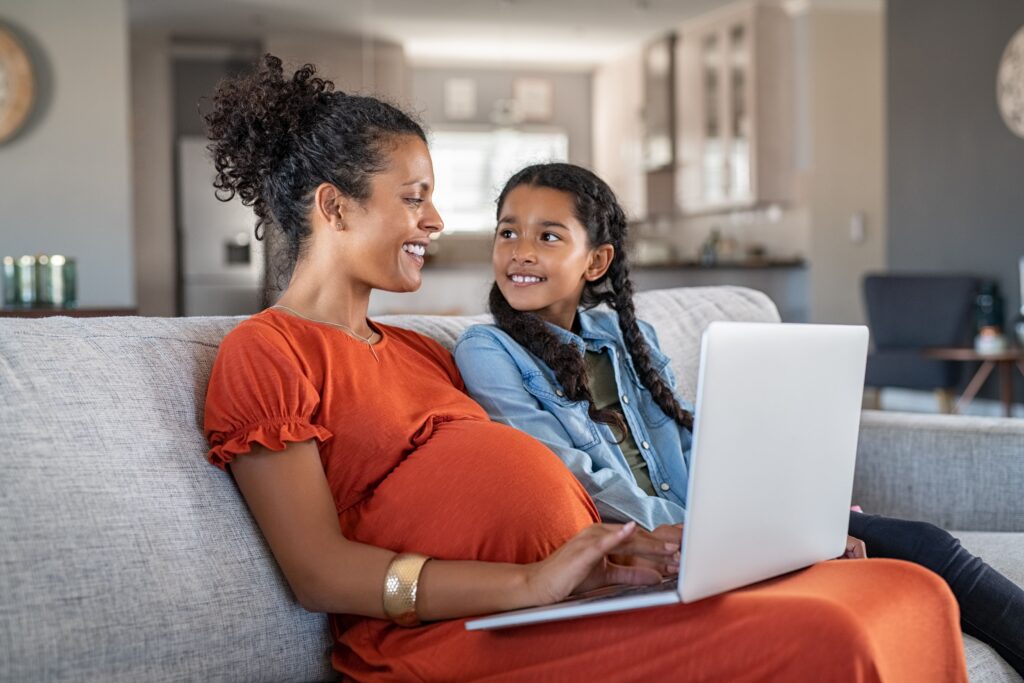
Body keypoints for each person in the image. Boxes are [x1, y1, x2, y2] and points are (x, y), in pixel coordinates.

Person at [202, 55, 968, 682]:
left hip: (577, 599)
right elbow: (320, 573)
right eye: (414, 199)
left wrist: (635, 555)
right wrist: (531, 584)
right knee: (830, 637)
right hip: (463, 636)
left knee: (910, 588)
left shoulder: (416, 349)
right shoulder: (268, 353)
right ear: (334, 209)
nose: (436, 222)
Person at [453, 162, 1024, 676]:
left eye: (548, 236)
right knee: (898, 570)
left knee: (925, 546)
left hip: (723, 532)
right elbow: (566, 472)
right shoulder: (489, 349)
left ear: (596, 261)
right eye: (508, 232)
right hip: (655, 548)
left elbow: (698, 441)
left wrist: (779, 516)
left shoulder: (624, 337)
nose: (520, 251)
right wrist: (706, 535)